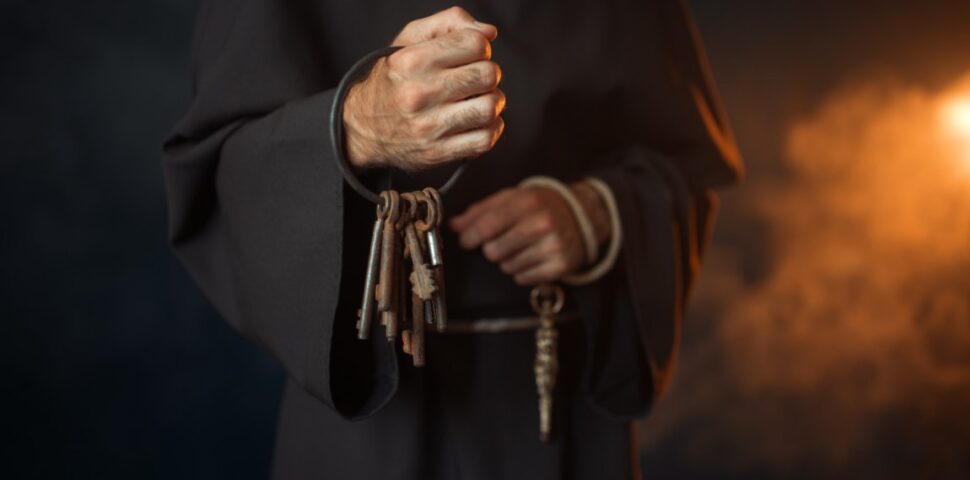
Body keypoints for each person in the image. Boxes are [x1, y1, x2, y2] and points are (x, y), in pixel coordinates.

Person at [162, 1, 742, 478]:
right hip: (371, 426)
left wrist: (599, 213)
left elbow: (688, 168)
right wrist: (355, 126)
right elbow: (218, 176)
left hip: (558, 415)